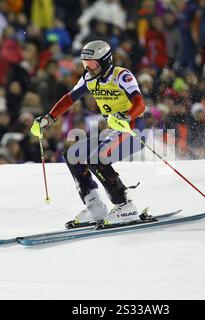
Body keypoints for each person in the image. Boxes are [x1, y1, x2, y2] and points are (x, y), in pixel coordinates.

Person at [31, 40, 146, 227]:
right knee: (73, 154)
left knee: (96, 158)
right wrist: (48, 119)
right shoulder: (89, 78)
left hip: (133, 130)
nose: (89, 68)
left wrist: (126, 117)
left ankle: (126, 205)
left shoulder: (121, 76)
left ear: (106, 61)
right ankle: (95, 206)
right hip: (113, 131)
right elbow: (70, 98)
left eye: (93, 64)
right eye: (85, 64)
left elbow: (140, 103)